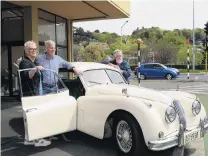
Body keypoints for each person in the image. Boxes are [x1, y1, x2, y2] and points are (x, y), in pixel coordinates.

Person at [19, 40, 51, 147]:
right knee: (34, 117)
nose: (33, 51)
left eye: (34, 49)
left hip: (35, 93)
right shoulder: (25, 62)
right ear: (26, 51)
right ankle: (36, 140)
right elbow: (27, 76)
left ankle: (28, 139)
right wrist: (35, 69)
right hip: (30, 94)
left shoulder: (34, 61)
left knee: (32, 118)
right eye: (30, 49)